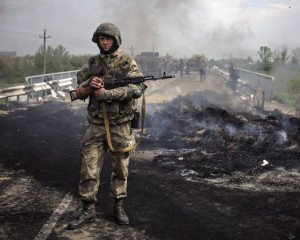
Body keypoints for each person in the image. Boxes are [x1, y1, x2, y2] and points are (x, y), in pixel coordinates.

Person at [68, 22, 146, 229]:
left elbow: (137, 89)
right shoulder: (92, 62)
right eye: (101, 39)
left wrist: (108, 94)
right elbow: (78, 88)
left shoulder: (127, 63)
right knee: (89, 168)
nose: (104, 42)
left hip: (120, 126)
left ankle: (118, 206)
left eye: (108, 38)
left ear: (116, 40)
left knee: (121, 169)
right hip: (95, 125)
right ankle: (87, 210)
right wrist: (90, 86)